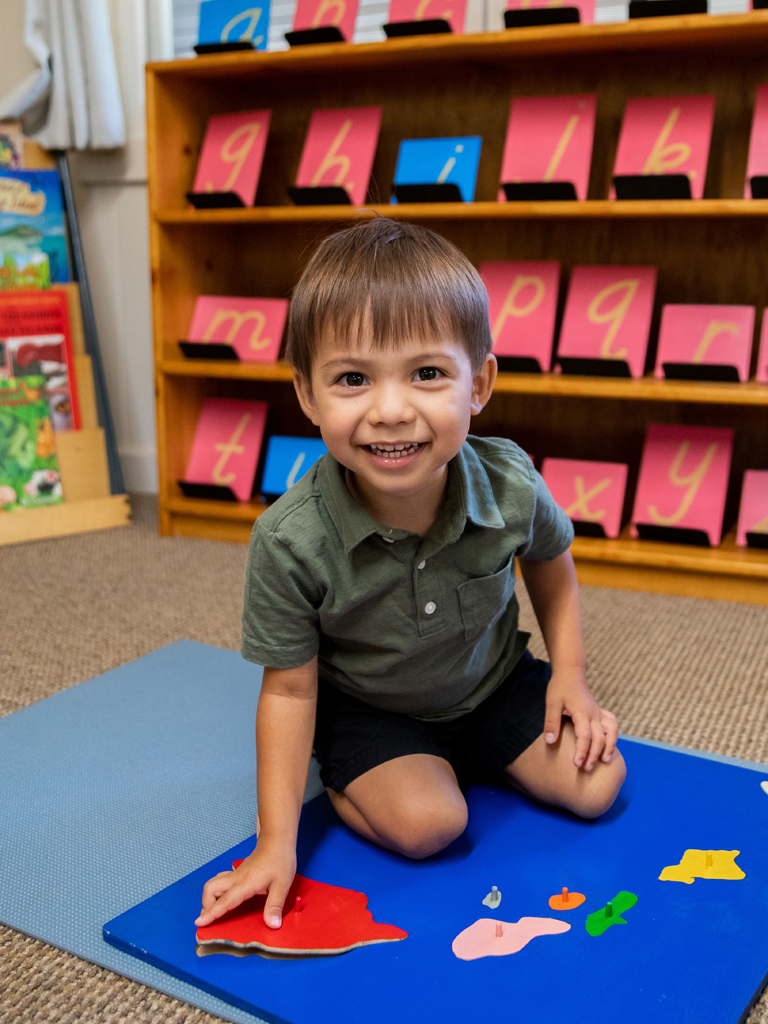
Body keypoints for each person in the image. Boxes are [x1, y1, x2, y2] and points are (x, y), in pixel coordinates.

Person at [196, 217, 626, 931]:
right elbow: (289, 689)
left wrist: (568, 676)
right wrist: (277, 844)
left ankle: (474, 752)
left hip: (490, 682)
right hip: (372, 709)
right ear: (307, 394)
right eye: (353, 378)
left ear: (479, 382)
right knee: (431, 826)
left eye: (427, 373)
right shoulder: (288, 540)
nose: (391, 411)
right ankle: (350, 775)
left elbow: (551, 563)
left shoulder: (511, 480)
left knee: (599, 786)